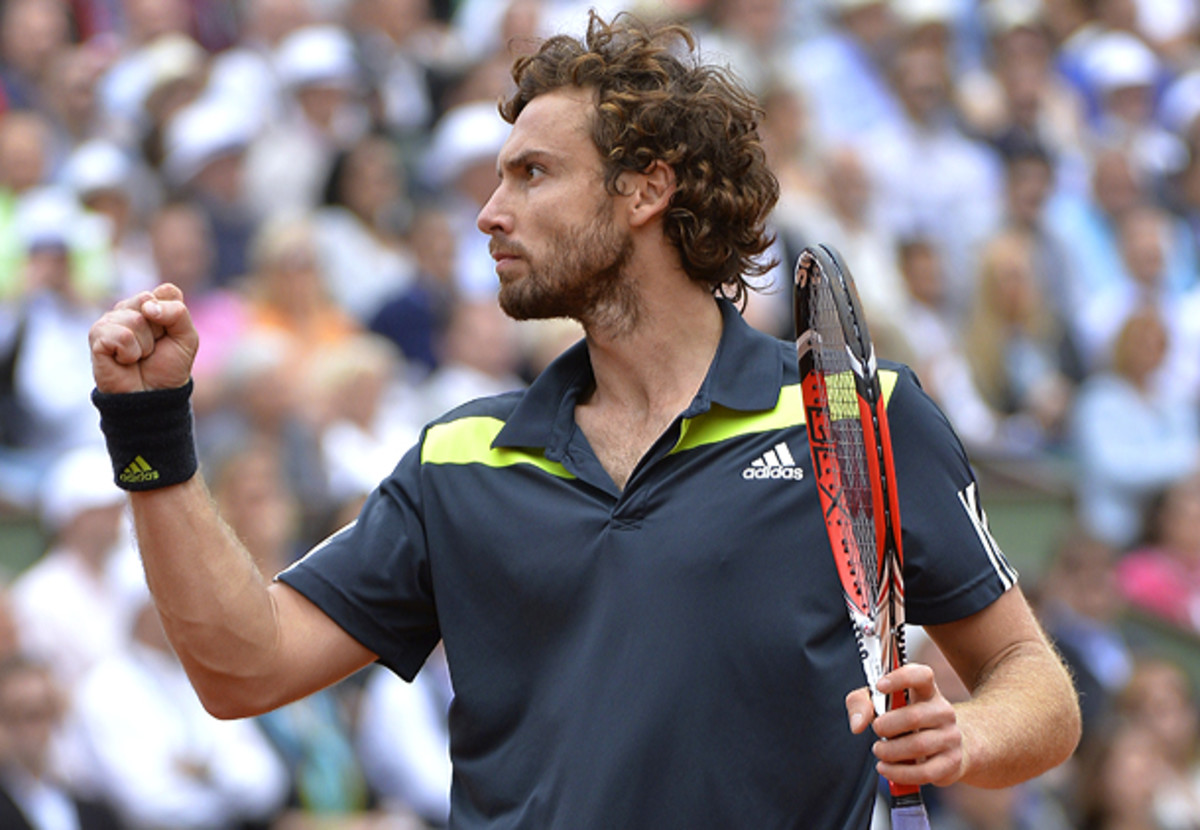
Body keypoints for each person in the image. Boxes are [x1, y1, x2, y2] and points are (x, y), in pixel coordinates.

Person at [87, 12, 1080, 829]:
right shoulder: (458, 459)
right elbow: (241, 663)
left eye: (530, 174)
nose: (487, 211)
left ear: (646, 188)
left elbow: (1033, 680)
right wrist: (152, 435)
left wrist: (966, 735)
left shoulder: (860, 416)